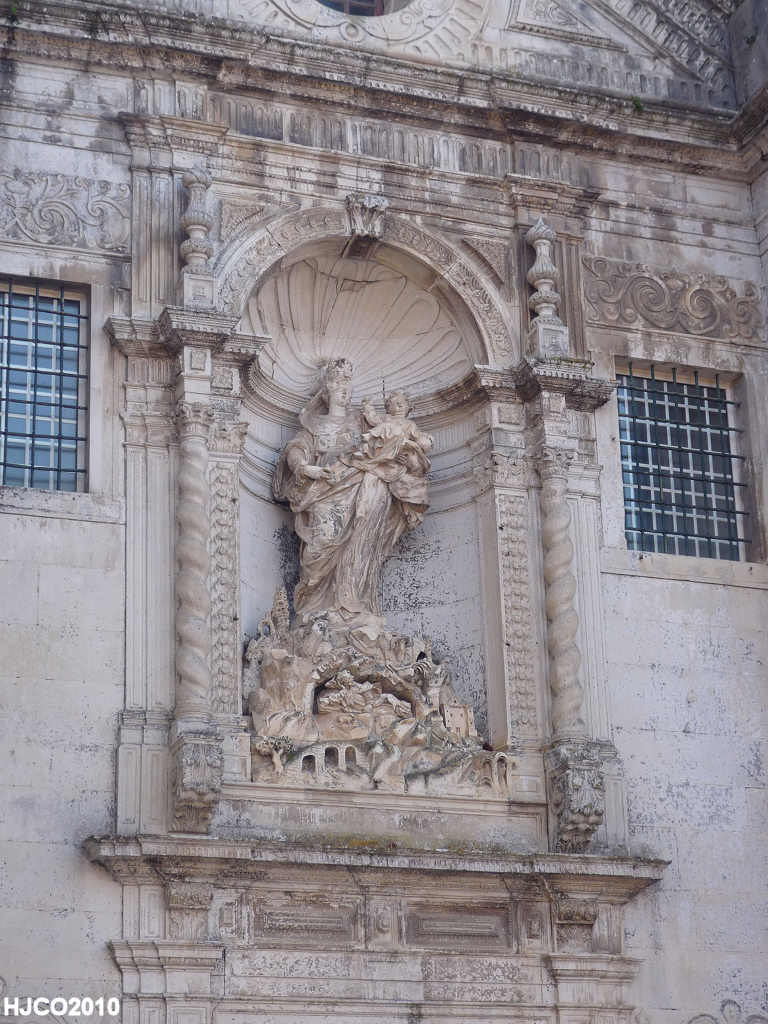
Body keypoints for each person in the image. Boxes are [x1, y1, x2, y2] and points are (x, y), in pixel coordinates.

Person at [273, 360, 432, 636]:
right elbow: (296, 450)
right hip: (325, 490)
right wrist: (305, 468)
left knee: (361, 544)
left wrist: (406, 462)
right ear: (325, 390)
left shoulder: (364, 422)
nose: (343, 389)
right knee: (322, 544)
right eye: (337, 383)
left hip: (362, 489)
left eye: (346, 384)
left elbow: (392, 449)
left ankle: (353, 606)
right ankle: (314, 608)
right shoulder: (314, 425)